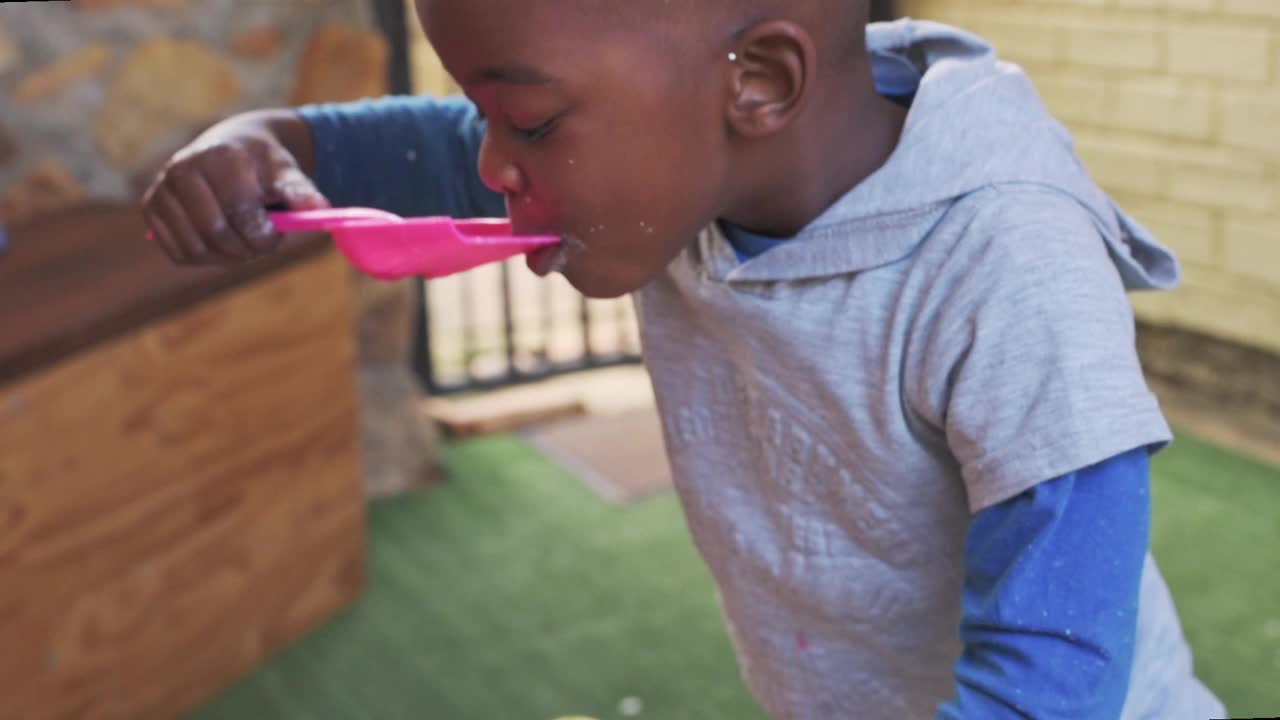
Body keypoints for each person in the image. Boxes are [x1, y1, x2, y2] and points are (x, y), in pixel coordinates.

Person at [141, 2, 1226, 718]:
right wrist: (265, 140)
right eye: (486, 114)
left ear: (756, 79)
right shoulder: (695, 166)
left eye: (521, 122)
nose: (487, 164)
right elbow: (410, 146)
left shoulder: (1005, 262)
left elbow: (1057, 670)